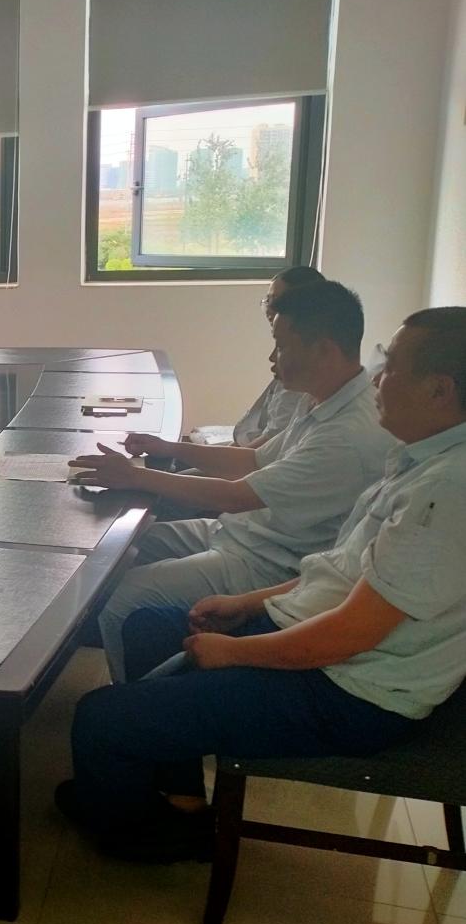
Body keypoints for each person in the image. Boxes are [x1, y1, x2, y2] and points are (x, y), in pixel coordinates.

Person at [58, 307, 466, 863]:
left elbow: (351, 634)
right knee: (145, 627)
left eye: (391, 367)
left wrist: (235, 652)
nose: (378, 380)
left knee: (99, 718)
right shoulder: (419, 457)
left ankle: (142, 838)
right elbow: (343, 573)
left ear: (440, 390)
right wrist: (247, 605)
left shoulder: (445, 493)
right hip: (313, 635)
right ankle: (181, 801)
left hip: (348, 693)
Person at [74, 282, 396, 682]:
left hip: (266, 563)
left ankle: (130, 700)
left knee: (117, 603)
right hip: (239, 534)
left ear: (325, 350)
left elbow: (236, 495)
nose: (272, 357)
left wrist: (136, 475)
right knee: (114, 547)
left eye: (281, 345)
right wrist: (168, 447)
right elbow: (253, 460)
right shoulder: (322, 398)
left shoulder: (346, 435)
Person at [230, 265, 325, 448]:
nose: (270, 308)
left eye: (277, 301)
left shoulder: (300, 378)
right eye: (268, 300)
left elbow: (263, 451)